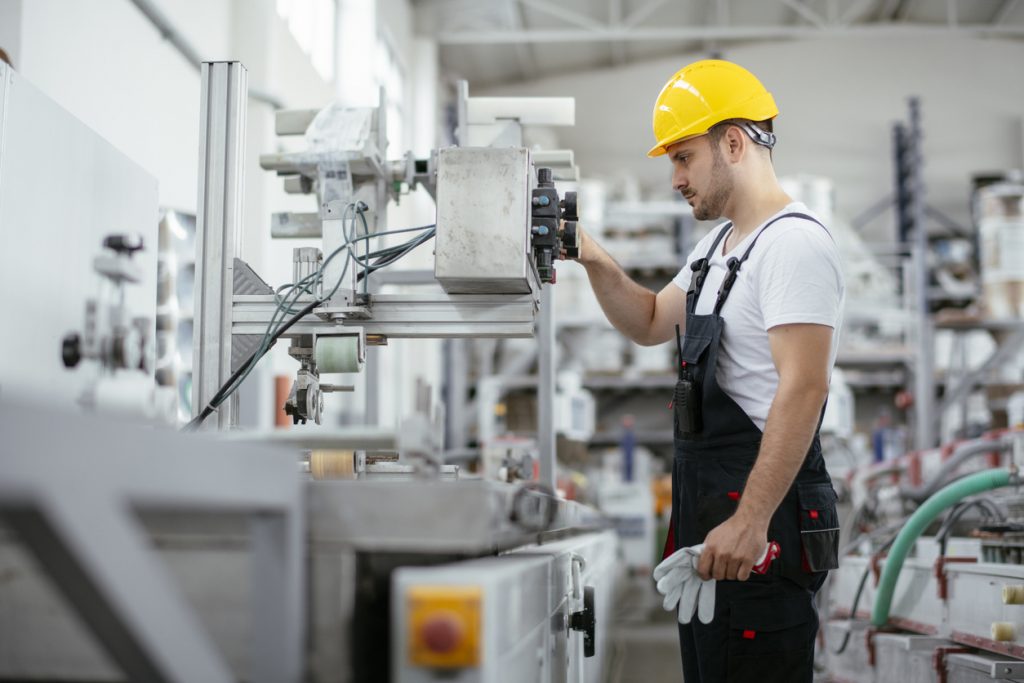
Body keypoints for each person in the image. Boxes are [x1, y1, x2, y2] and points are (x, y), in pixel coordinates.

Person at [569, 59, 845, 681]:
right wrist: (589, 254)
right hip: (711, 524)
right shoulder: (715, 250)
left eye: (684, 157)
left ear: (734, 142)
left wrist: (749, 522)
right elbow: (645, 322)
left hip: (758, 528)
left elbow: (804, 388)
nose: (675, 178)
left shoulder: (791, 244)